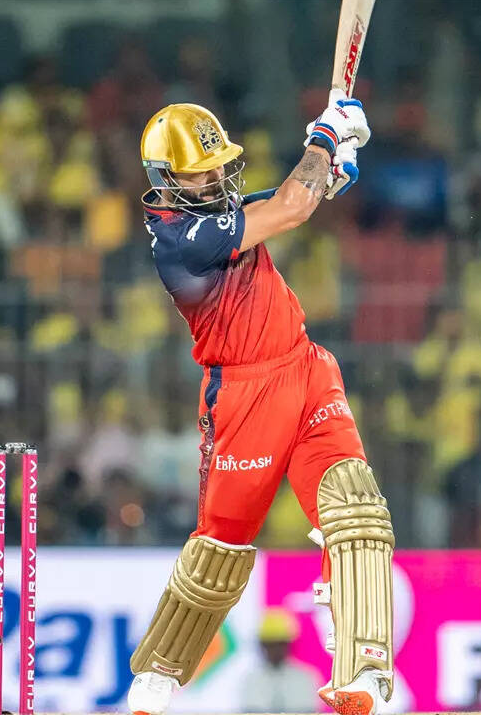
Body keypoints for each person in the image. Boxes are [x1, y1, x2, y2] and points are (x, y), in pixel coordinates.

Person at [125, 95, 394, 715]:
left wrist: (335, 159)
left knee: (355, 509)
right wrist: (324, 138)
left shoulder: (216, 211)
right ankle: (161, 668)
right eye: (201, 172)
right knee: (222, 544)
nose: (218, 176)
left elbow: (295, 197)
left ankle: (362, 668)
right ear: (165, 179)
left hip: (307, 369)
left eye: (220, 165)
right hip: (244, 396)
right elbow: (291, 206)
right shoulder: (180, 240)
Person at [242, 609, 323, 714]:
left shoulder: (306, 677)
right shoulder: (253, 679)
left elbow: (308, 710)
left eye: (279, 644)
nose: (275, 650)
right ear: (262, 646)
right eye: (270, 644)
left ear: (289, 645)